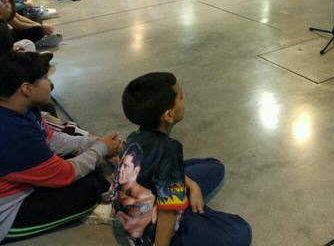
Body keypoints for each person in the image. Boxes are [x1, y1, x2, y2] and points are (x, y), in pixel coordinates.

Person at [112, 72, 252, 246]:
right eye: (180, 96)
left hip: (137, 209)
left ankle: (187, 204)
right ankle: (190, 217)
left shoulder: (135, 137)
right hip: (150, 231)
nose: (184, 98)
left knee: (215, 166)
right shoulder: (170, 150)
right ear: (169, 115)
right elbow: (168, 212)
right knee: (240, 232)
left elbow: (163, 172)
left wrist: (192, 186)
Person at [0, 51, 123, 243]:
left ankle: (104, 187)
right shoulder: (12, 131)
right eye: (45, 77)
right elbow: (66, 174)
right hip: (7, 213)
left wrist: (94, 143)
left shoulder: (22, 108)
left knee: (83, 154)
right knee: (88, 189)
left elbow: (51, 139)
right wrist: (101, 149)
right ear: (27, 88)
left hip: (23, 183)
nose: (50, 83)